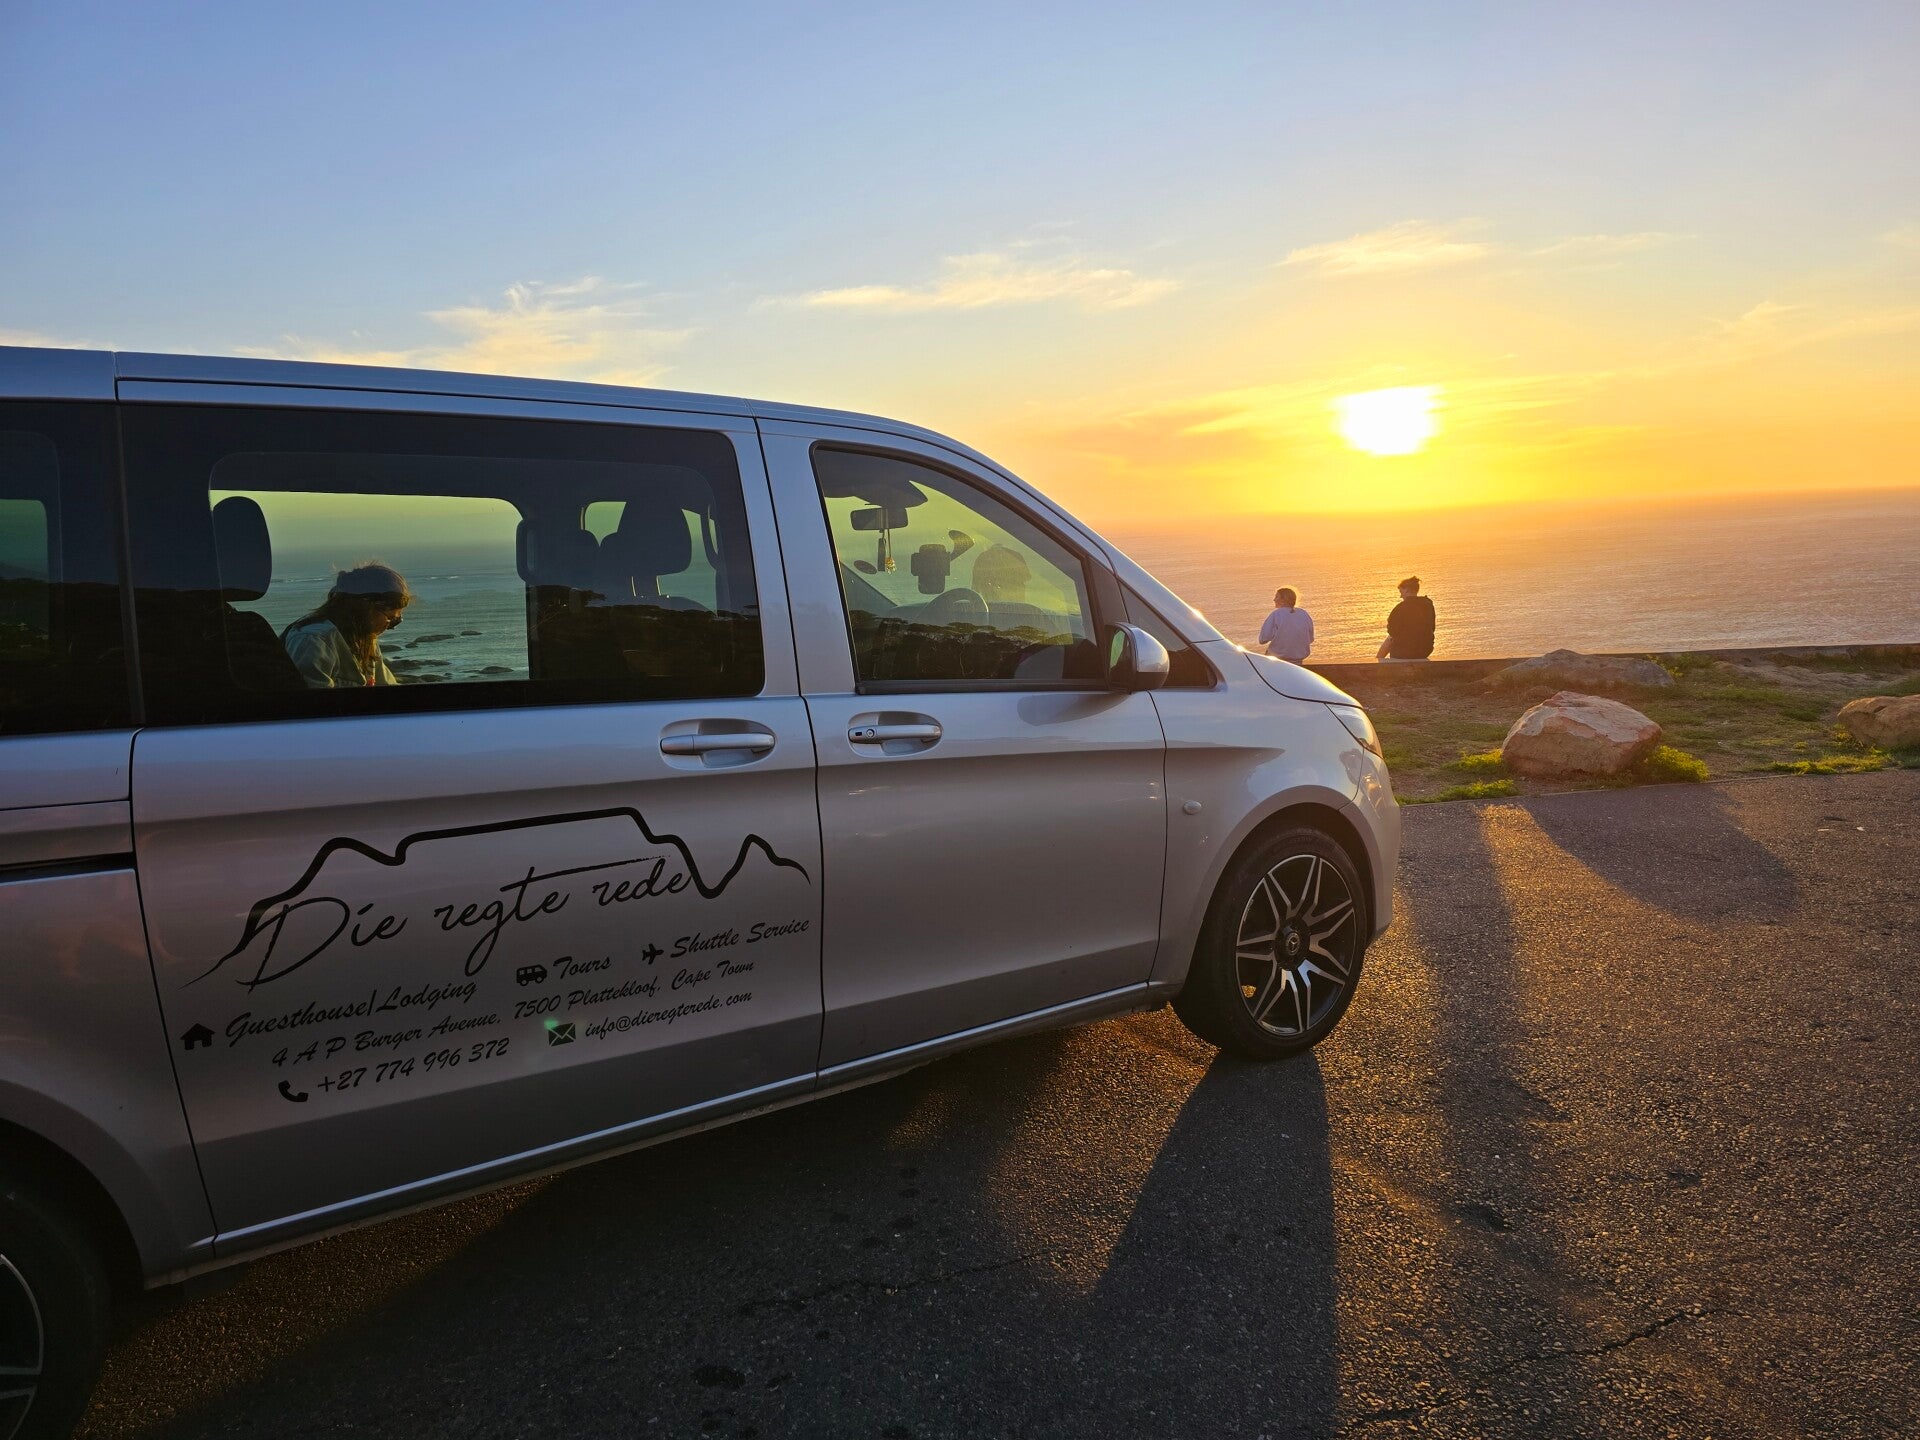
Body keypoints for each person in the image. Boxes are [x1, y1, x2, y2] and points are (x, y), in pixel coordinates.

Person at [281, 562, 412, 687]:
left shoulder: (365, 639)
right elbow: (316, 699)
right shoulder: (313, 641)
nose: (391, 627)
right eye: (391, 618)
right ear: (366, 607)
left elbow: (386, 686)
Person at [1376, 575, 1436, 661]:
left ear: (1407, 590)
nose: (1400, 596)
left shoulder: (1400, 608)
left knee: (1389, 638)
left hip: (1403, 653)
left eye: (1401, 592)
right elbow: (1432, 627)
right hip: (1425, 650)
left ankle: (1376, 663)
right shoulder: (1428, 605)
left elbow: (1392, 631)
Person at [1258, 587, 1314, 662]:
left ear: (1283, 600)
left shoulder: (1276, 614)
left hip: (1276, 661)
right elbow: (1310, 639)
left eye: (1277, 597)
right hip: (1298, 661)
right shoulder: (1303, 614)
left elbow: (1263, 639)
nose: (1274, 599)